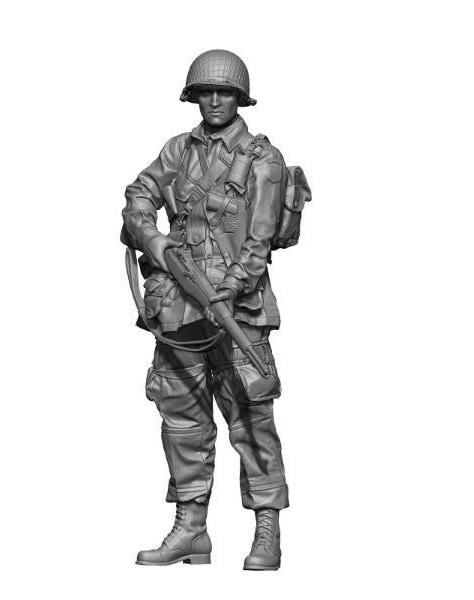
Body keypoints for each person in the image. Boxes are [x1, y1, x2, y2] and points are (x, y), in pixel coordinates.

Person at [122, 49, 292, 570]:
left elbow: (258, 242)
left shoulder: (263, 158)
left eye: (224, 92)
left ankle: (266, 530)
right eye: (206, 92)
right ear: (193, 96)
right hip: (178, 308)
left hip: (236, 311)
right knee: (182, 418)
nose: (215, 101)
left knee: (251, 419)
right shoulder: (179, 150)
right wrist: (155, 242)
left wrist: (225, 292)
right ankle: (191, 529)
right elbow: (138, 195)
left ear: (240, 98)